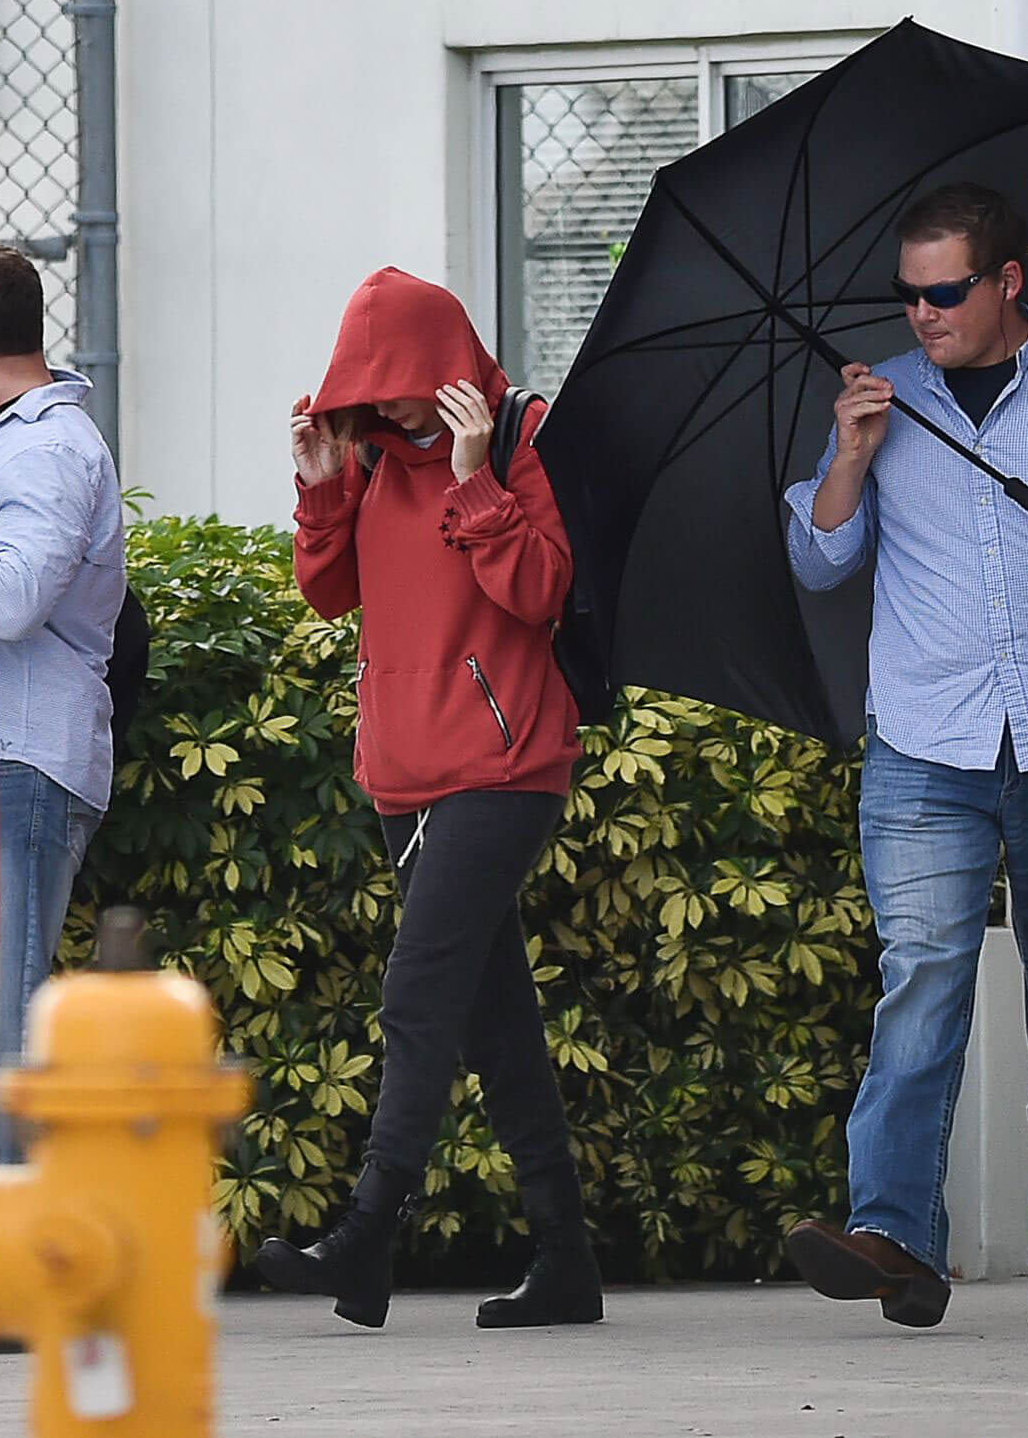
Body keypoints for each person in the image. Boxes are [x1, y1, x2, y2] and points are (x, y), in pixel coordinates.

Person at [782, 184, 1028, 1328]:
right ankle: (895, 1235)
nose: (925, 312)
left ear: (1006, 282)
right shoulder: (881, 399)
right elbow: (820, 560)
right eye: (910, 293)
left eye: (946, 291)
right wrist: (850, 453)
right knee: (921, 982)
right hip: (924, 744)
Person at [254, 267, 603, 1331]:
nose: (393, 402)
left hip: (504, 767)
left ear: (445, 361)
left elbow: (542, 588)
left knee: (418, 995)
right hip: (402, 773)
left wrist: (470, 476)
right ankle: (567, 1261)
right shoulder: (364, 456)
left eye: (404, 381)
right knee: (497, 1021)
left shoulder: (516, 435)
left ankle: (365, 1237)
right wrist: (321, 485)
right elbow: (330, 592)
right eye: (373, 386)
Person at [0, 243, 125, 1165]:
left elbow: (15, 597)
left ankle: (8, 1289)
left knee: (7, 1028)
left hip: (23, 764)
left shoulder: (50, 447)